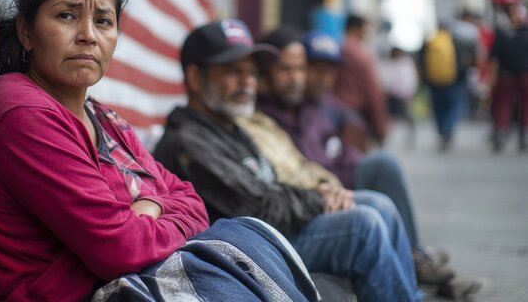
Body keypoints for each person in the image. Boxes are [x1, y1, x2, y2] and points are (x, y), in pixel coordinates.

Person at [0, 0, 320, 301]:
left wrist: (149, 207)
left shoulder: (103, 117)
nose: (88, 35)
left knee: (242, 231)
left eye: (103, 21)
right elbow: (121, 249)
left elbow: (191, 201)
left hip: (140, 280)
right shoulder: (22, 112)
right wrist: (147, 216)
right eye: (66, 15)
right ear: (26, 31)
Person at [154, 19, 424, 302]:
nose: (248, 81)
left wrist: (320, 193)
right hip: (247, 252)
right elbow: (259, 206)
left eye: (252, 72)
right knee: (363, 226)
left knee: (378, 205)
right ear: (196, 78)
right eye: (233, 72)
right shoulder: (191, 140)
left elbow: (273, 185)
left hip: (274, 232)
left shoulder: (228, 125)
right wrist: (318, 199)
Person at [248, 27, 481, 299]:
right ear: (264, 74)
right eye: (287, 70)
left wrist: (330, 179)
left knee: (381, 189)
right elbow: (288, 180)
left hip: (325, 188)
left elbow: (337, 152)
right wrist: (323, 190)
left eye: (301, 69)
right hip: (296, 211)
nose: (298, 78)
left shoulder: (312, 109)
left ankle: (411, 272)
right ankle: (414, 264)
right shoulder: (260, 119)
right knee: (366, 220)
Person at [334, 14, 390, 146]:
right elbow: (373, 93)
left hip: (330, 116)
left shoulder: (336, 49)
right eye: (365, 29)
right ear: (358, 29)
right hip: (354, 121)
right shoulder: (362, 56)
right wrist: (380, 128)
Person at [419, 24, 467, 151]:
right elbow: (462, 62)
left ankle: (441, 131)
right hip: (451, 81)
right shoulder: (454, 41)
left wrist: (425, 80)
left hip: (433, 82)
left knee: (438, 108)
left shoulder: (430, 42)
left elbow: (421, 62)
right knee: (452, 107)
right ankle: (449, 129)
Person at [488, 2, 528, 152]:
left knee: (504, 104)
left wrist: (491, 78)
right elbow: (493, 59)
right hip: (516, 74)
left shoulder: (502, 33)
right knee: (516, 104)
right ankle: (520, 133)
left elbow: (493, 58)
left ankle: (503, 132)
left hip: (508, 74)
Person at [379, 47, 418, 144]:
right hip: (392, 95)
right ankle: (385, 137)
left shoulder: (405, 64)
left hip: (401, 96)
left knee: (406, 118)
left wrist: (409, 95)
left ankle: (410, 138)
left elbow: (409, 81)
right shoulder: (391, 64)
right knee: (390, 118)